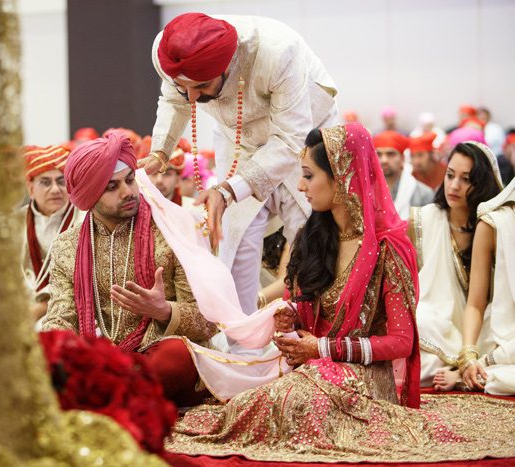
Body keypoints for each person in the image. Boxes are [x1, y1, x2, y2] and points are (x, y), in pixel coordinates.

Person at [164, 124, 515, 463]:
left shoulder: (387, 248)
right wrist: (291, 318)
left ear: (342, 177)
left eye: (308, 175)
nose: (301, 186)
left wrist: (323, 347)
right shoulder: (312, 236)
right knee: (248, 402)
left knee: (294, 401)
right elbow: (304, 304)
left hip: (364, 375)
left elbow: (401, 342)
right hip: (314, 367)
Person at [142, 12, 338, 316]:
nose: (192, 98)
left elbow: (289, 140)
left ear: (228, 67)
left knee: (311, 232)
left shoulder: (277, 52)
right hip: (239, 140)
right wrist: (160, 152)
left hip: (303, 136)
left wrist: (229, 189)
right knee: (236, 238)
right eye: (186, 87)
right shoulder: (167, 50)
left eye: (202, 86)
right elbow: (174, 100)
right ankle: (240, 341)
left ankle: (311, 333)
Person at [39, 133, 218, 406]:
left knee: (175, 356)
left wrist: (163, 311)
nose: (128, 192)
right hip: (103, 359)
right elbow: (60, 319)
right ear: (90, 195)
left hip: (160, 357)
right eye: (112, 187)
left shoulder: (171, 231)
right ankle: (112, 392)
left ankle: (102, 396)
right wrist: (55, 352)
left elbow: (209, 322)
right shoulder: (67, 246)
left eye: (130, 180)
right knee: (44, 353)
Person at [410, 142, 503, 389]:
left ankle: (463, 371)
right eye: (450, 175)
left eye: (466, 179)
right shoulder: (423, 219)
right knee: (422, 318)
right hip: (439, 325)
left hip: (484, 324)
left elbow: (480, 303)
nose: (454, 186)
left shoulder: (494, 226)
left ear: (482, 184)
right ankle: (467, 369)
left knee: (501, 327)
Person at [459, 177, 515, 394]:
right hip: (504, 333)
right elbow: (475, 303)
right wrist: (468, 355)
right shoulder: (495, 224)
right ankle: (480, 367)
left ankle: (484, 367)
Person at [20, 145, 83, 321]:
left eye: (61, 181)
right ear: (31, 188)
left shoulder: (85, 219)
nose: (55, 189)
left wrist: (41, 308)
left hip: (71, 309)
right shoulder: (13, 222)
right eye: (45, 182)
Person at [374, 130, 433, 219]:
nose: (384, 160)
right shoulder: (368, 192)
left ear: (402, 159)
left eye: (390, 154)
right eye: (379, 154)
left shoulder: (423, 194)